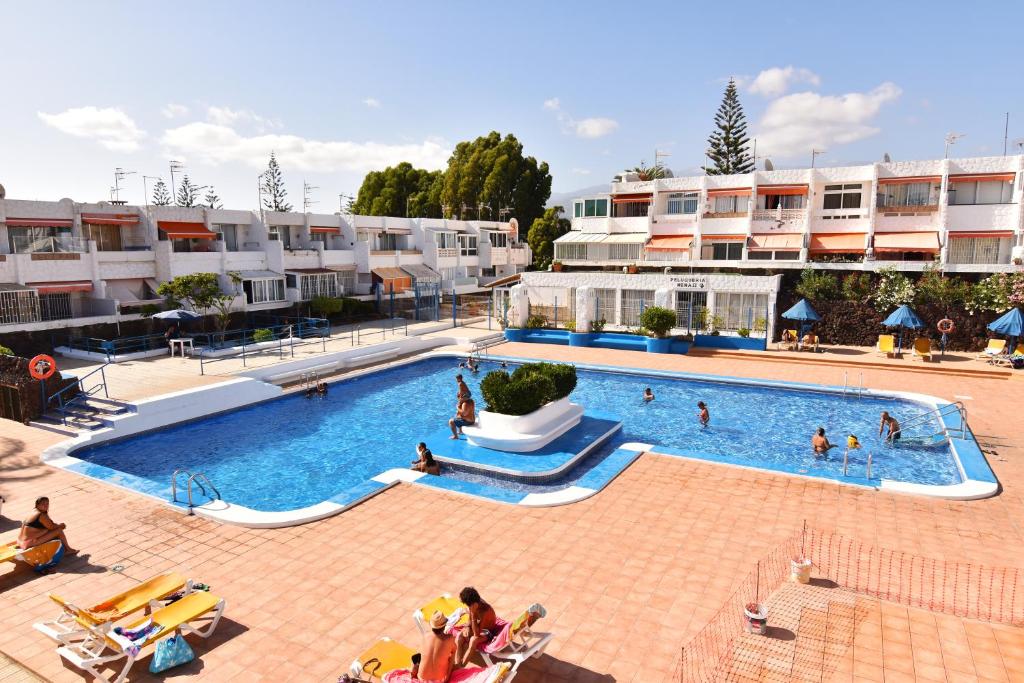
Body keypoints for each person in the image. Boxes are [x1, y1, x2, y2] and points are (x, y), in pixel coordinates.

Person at [455, 587, 497, 667]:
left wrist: (473, 614)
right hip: (478, 626)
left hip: (488, 632)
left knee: (473, 640)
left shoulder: (485, 611)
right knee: (459, 637)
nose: (466, 606)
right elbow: (470, 619)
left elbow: (476, 634)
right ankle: (458, 664)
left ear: (472, 604)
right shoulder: (474, 603)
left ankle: (462, 666)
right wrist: (467, 626)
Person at [418, 610, 458, 682]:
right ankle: (448, 674)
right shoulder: (450, 638)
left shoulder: (426, 636)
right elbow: (454, 653)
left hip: (422, 677)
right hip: (440, 680)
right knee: (451, 654)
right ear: (444, 626)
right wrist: (447, 677)